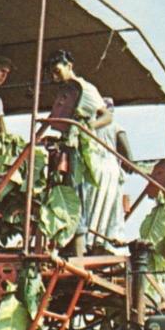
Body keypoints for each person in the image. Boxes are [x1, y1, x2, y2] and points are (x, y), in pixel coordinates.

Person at [45, 49, 112, 256]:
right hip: (65, 147)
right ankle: (63, 245)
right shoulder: (66, 92)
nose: (55, 77)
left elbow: (107, 116)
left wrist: (89, 126)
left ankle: (79, 253)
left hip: (79, 151)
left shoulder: (85, 89)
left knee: (76, 195)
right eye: (52, 74)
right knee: (60, 193)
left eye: (58, 71)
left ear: (69, 66)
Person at [85, 97, 129, 252]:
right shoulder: (116, 126)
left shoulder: (89, 127)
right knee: (110, 207)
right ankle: (104, 242)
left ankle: (88, 241)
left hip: (91, 169)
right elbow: (128, 156)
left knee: (91, 206)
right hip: (109, 169)